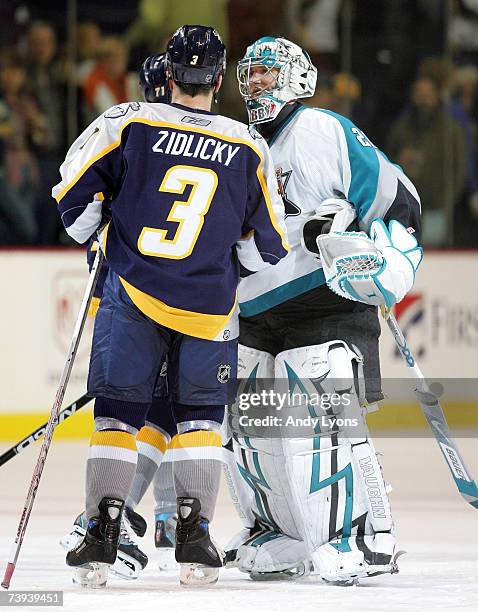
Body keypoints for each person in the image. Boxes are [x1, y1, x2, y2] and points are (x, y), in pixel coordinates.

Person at [52, 25, 288, 588]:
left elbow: (71, 197)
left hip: (134, 294)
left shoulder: (128, 122)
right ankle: (194, 539)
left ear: (169, 71)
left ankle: (102, 536)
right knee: (203, 422)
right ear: (219, 76)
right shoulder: (248, 144)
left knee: (116, 416)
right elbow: (272, 244)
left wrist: (100, 234)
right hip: (210, 310)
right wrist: (228, 268)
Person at [226, 36, 423, 585]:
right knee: (252, 422)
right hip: (255, 309)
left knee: (322, 409)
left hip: (323, 301)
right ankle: (277, 530)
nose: (255, 84)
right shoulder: (237, 143)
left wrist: (382, 254)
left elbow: (398, 198)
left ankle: (360, 537)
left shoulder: (320, 130)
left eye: (266, 73)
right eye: (251, 75)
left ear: (296, 78)